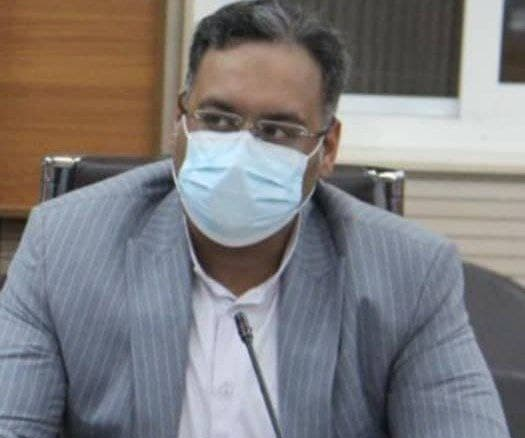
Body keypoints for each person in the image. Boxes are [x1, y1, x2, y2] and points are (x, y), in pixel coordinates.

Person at [0, 1, 510, 437]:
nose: (241, 150)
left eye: (278, 129)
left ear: (328, 148)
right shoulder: (62, 247)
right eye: (218, 120)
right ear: (179, 122)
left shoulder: (411, 274)